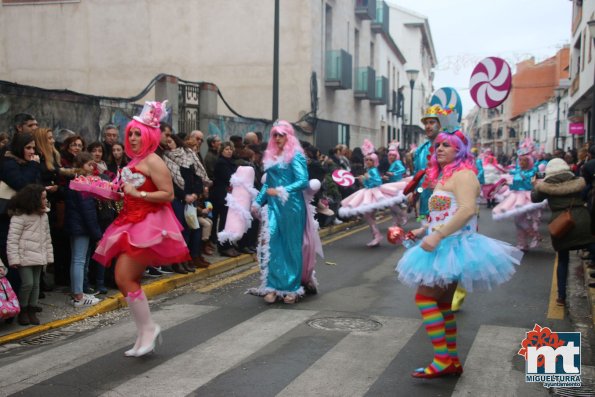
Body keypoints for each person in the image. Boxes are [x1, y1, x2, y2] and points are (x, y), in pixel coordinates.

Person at [396, 125, 523, 379]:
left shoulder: (464, 175)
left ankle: (442, 359)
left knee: (424, 299)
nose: (439, 148)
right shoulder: (445, 176)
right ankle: (451, 360)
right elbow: (444, 213)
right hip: (443, 243)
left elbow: (466, 211)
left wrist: (438, 235)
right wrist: (423, 231)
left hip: (453, 246)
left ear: (460, 149)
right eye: (438, 145)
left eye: (446, 145)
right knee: (443, 305)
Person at [93, 101, 190, 357]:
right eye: (131, 133)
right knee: (125, 279)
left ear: (149, 135)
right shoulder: (134, 160)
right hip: (129, 221)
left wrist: (139, 192)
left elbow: (168, 194)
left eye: (138, 134)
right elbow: (127, 192)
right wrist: (111, 193)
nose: (133, 138)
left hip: (149, 224)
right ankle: (145, 330)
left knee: (124, 277)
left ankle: (148, 328)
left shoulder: (153, 160)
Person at [248, 120, 322, 304]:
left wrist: (283, 190)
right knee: (273, 244)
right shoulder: (271, 156)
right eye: (275, 135)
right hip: (274, 207)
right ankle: (273, 285)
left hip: (292, 207)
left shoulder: (295, 155)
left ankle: (291, 287)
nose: (278, 138)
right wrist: (258, 202)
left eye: (282, 135)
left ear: (288, 136)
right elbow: (268, 184)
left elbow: (303, 181)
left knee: (291, 246)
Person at [531, 158, 595, 306]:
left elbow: (534, 198)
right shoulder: (579, 181)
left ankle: (561, 297)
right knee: (591, 246)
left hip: (561, 223)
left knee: (563, 259)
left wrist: (535, 185)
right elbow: (586, 195)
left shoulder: (545, 186)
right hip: (582, 219)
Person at [339, 139, 409, 247]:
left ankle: (380, 233)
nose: (368, 162)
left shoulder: (373, 170)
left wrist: (367, 178)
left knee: (372, 213)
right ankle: (377, 234)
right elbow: (369, 183)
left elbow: (377, 182)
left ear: (374, 161)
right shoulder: (370, 170)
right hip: (369, 193)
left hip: (375, 193)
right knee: (369, 214)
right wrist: (364, 180)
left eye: (370, 160)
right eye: (366, 160)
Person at [7, 184, 53, 326]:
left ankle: (32, 309)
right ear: (34, 199)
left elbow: (47, 237)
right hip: (24, 257)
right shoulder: (20, 217)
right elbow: (12, 239)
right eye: (43, 198)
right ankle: (23, 309)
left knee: (36, 285)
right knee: (28, 284)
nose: (45, 201)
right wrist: (14, 259)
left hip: (39, 256)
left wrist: (49, 256)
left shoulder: (43, 215)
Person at [492, 138, 547, 250]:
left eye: (523, 161)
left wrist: (529, 179)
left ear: (529, 161)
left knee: (528, 219)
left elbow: (539, 183)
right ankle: (522, 243)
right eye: (519, 160)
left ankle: (535, 236)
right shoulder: (517, 171)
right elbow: (511, 183)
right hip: (516, 197)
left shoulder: (534, 172)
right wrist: (504, 184)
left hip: (529, 197)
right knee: (518, 221)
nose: (520, 163)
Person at [65, 152, 103, 307]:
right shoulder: (81, 183)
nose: (91, 167)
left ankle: (78, 292)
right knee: (79, 260)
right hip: (81, 226)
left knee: (77, 260)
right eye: (89, 164)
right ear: (81, 165)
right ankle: (79, 296)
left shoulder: (76, 181)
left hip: (76, 225)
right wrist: (97, 234)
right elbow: (88, 211)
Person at [411, 105, 446, 220]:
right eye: (426, 123)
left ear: (440, 125)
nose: (428, 126)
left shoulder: (448, 147)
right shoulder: (420, 150)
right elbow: (417, 176)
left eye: (431, 122)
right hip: (424, 204)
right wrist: (415, 193)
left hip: (443, 204)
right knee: (426, 235)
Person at [383, 141, 408, 226]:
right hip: (390, 185)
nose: (391, 156)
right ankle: (396, 222)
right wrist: (386, 177)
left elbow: (402, 170)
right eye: (389, 155)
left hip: (397, 185)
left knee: (392, 204)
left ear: (396, 155)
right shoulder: (392, 164)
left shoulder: (397, 162)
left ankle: (402, 215)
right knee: (391, 204)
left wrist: (394, 174)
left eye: (393, 155)